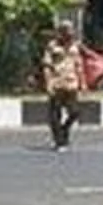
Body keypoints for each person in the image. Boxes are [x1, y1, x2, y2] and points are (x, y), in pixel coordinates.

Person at [39, 19, 86, 151]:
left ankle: (64, 130)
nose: (68, 34)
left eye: (70, 31)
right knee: (55, 114)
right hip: (57, 83)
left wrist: (83, 82)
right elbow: (47, 66)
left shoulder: (75, 46)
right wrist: (48, 83)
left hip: (71, 83)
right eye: (65, 31)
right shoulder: (52, 46)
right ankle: (59, 141)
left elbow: (79, 65)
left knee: (75, 112)